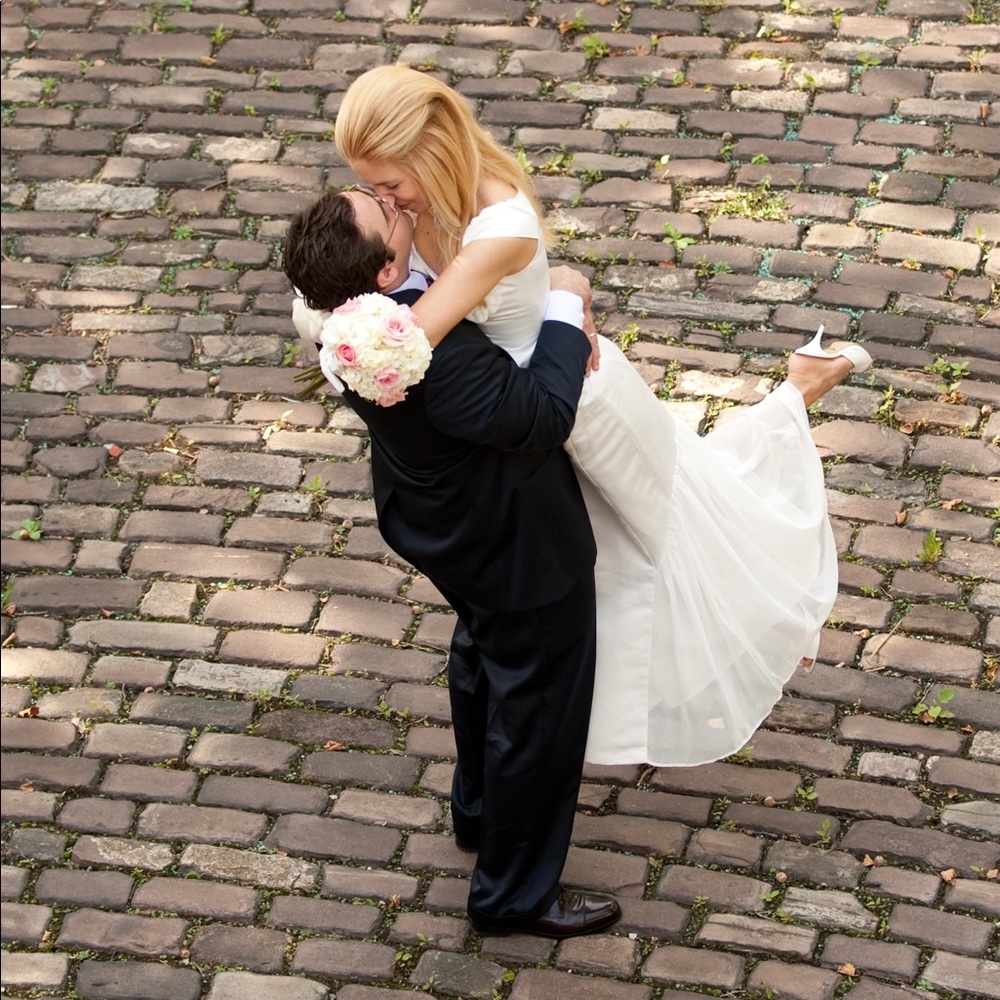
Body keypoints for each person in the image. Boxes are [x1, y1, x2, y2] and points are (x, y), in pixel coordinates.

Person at [323, 64, 874, 768]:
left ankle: (796, 402)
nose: (384, 201)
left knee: (676, 532)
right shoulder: (419, 206)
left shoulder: (497, 225)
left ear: (430, 153)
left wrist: (337, 328)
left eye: (390, 184)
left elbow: (406, 339)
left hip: (575, 402)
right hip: (523, 413)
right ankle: (572, 726)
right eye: (371, 188)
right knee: (601, 570)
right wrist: (561, 288)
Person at [283, 188, 622, 939]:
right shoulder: (435, 355)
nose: (394, 202)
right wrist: (565, 303)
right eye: (386, 213)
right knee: (537, 706)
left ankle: (479, 810)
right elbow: (541, 415)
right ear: (382, 273)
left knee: (484, 653)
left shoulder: (347, 320)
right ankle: (513, 896)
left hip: (444, 524)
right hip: (517, 543)